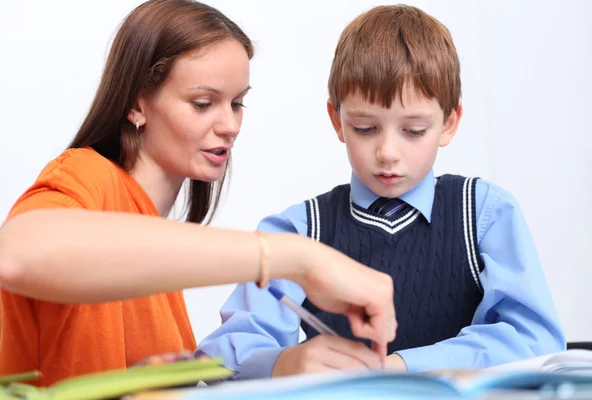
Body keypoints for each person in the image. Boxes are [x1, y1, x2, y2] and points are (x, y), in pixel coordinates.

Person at [0, 0, 396, 387]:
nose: (230, 125)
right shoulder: (86, 174)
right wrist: (298, 259)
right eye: (203, 104)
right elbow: (18, 253)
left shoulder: (152, 248)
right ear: (136, 104)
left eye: (237, 104)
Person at [195, 4, 566, 379]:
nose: (388, 153)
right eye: (365, 128)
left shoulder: (485, 212)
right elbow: (219, 360)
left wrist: (403, 367)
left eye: (414, 131)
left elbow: (534, 337)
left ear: (449, 123)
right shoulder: (298, 230)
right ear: (336, 120)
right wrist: (282, 364)